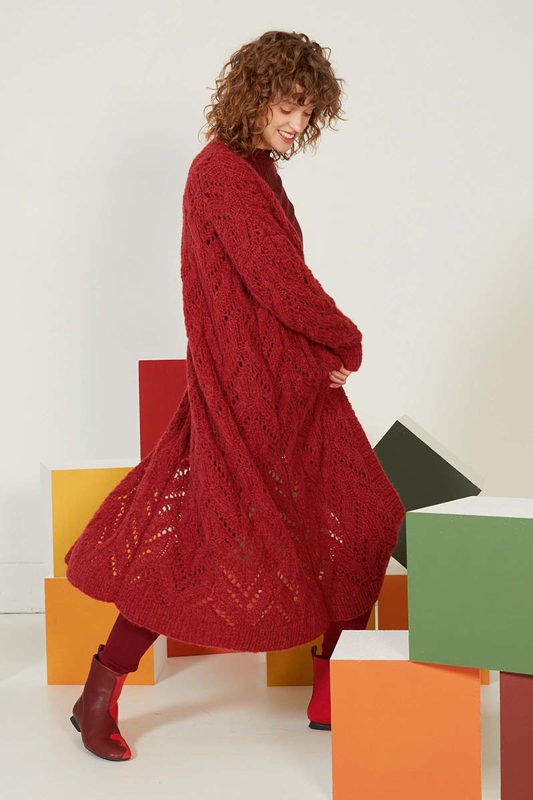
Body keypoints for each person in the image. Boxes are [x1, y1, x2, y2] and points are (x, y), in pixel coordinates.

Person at [64, 30, 406, 762]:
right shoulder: (221, 172)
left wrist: (317, 359)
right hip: (247, 400)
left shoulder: (258, 172)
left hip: (292, 390)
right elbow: (279, 280)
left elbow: (272, 287)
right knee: (195, 546)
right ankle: (100, 689)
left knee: (365, 517)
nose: (297, 122)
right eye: (287, 105)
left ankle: (330, 684)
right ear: (254, 96)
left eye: (307, 110)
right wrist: (344, 340)